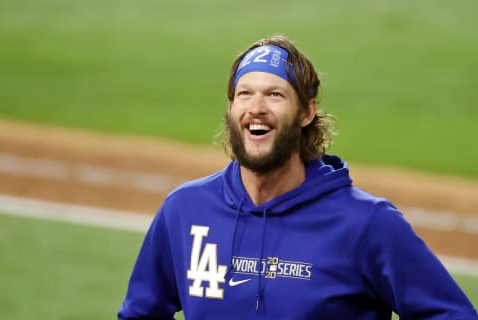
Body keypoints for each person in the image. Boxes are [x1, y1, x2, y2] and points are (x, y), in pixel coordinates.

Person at [118, 35, 477, 319]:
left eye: (275, 95)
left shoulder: (366, 225)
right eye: (245, 94)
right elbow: (140, 313)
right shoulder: (186, 210)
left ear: (306, 112)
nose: (256, 108)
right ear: (231, 108)